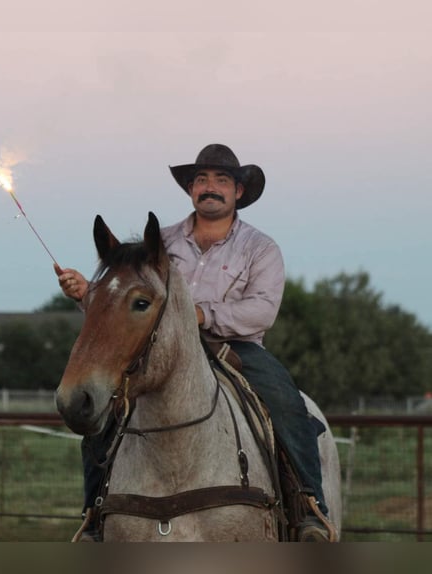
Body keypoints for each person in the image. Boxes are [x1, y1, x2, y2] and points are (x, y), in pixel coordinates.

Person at [54, 143, 332, 542]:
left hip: (237, 348)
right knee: (109, 409)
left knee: (286, 401)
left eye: (222, 180)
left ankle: (309, 508)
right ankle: (96, 515)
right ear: (190, 190)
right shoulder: (158, 245)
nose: (210, 187)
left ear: (238, 192)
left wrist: (200, 315)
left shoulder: (261, 248)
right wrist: (89, 293)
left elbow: (262, 311)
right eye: (201, 179)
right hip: (162, 349)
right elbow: (129, 305)